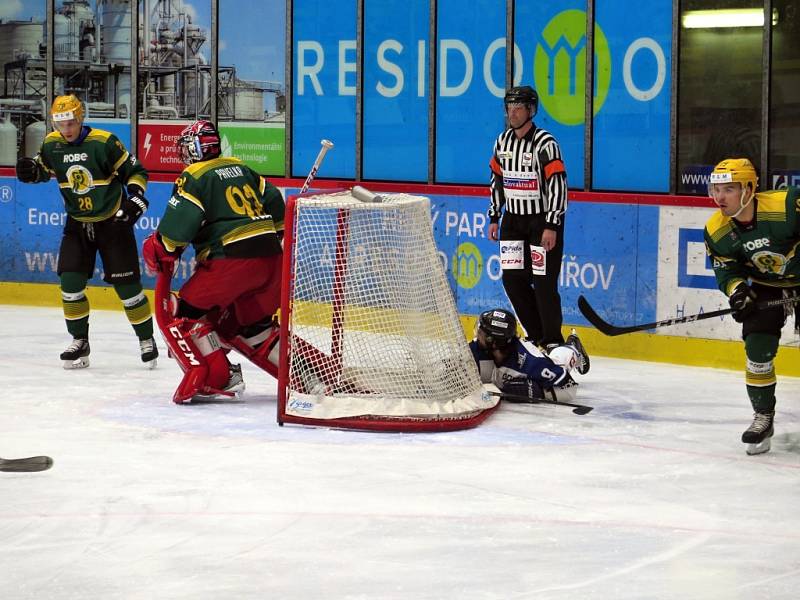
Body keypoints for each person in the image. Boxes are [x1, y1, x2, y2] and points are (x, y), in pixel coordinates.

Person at [143, 119, 285, 404]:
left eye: (186, 149)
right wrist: (273, 232)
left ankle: (218, 376)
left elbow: (176, 230)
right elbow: (275, 202)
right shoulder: (242, 168)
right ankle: (307, 375)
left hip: (230, 262)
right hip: (273, 261)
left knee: (182, 313)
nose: (183, 156)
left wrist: (160, 246)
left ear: (196, 149)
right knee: (253, 325)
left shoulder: (194, 175)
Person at [15, 94, 158, 370]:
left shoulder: (104, 142)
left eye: (69, 123)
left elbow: (135, 171)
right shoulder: (51, 144)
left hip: (112, 224)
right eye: (59, 124)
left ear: (80, 119)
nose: (65, 130)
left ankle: (146, 339)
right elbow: (44, 169)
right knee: (70, 284)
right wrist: (32, 171)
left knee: (128, 290)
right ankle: (80, 341)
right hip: (77, 224)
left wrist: (136, 196)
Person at [703, 157, 800, 455]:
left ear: (748, 188)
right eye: (716, 190)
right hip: (767, 286)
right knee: (757, 350)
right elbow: (727, 270)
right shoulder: (717, 230)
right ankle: (764, 417)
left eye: (728, 189)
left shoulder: (787, 206)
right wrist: (737, 292)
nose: (720, 198)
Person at [487, 85, 569, 349]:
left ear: (531, 110)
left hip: (541, 222)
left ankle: (553, 340)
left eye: (518, 108)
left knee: (544, 283)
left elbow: (558, 184)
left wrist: (552, 224)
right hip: (513, 221)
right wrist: (494, 216)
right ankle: (536, 337)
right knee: (512, 280)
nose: (512, 113)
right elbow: (497, 179)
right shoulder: (502, 141)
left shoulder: (546, 143)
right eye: (509, 108)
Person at [469, 308, 589, 403]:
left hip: (543, 363)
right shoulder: (478, 348)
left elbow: (569, 388)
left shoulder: (532, 363)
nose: (477, 336)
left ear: (493, 342)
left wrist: (539, 392)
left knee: (558, 361)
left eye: (481, 334)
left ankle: (573, 347)